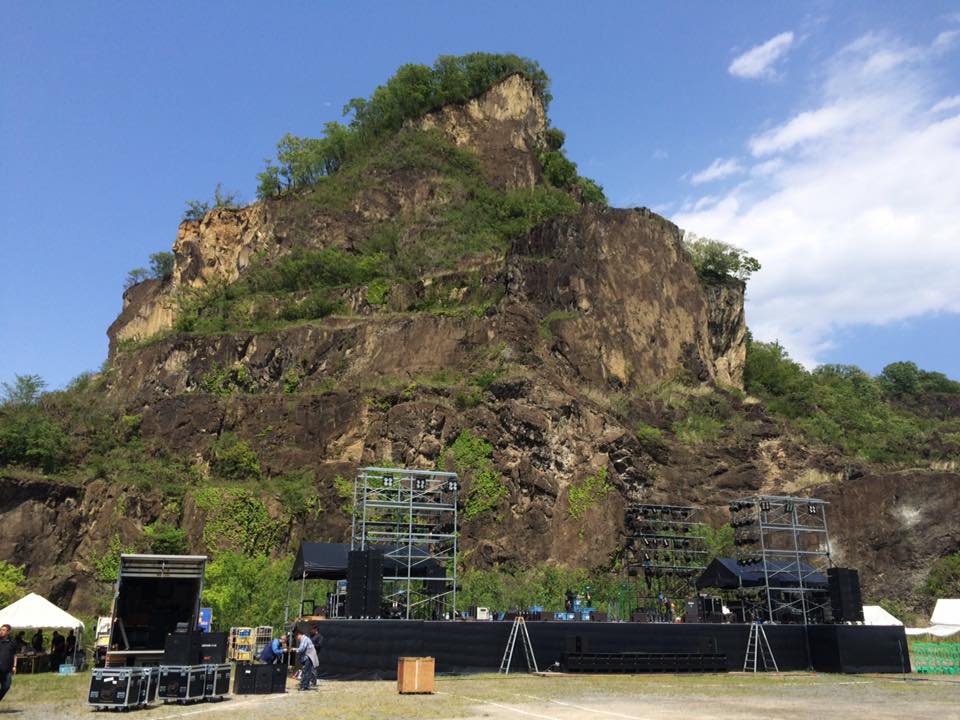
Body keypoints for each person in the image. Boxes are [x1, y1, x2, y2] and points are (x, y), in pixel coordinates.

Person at [0, 624, 15, 702]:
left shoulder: (12, 642)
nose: (1, 631)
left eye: (3, 630)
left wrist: (14, 666)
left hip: (7, 669)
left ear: (8, 632)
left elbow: (15, 655)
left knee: (6, 686)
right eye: (0, 630)